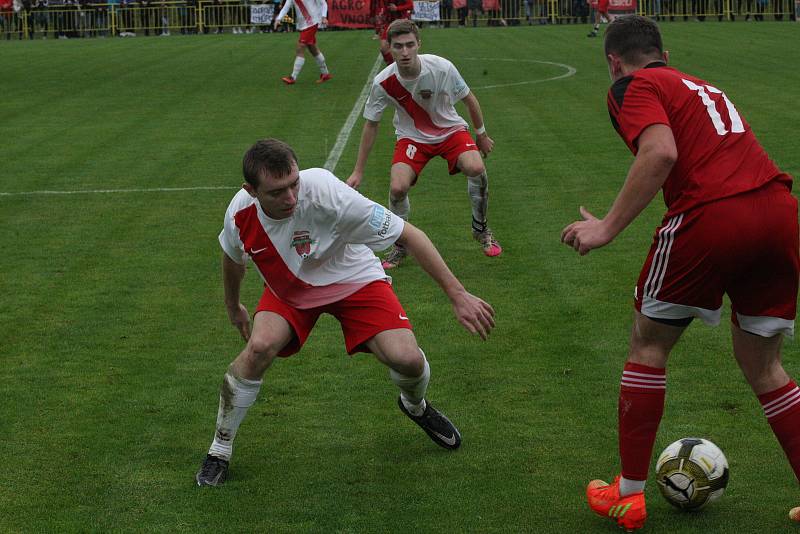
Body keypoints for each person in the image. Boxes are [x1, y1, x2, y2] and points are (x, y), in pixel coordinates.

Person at [560, 15, 800, 530]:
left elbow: (661, 151)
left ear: (613, 62)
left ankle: (628, 494)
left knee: (648, 343)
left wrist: (605, 228)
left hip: (713, 214)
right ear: (664, 54)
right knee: (765, 367)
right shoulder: (701, 84)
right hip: (779, 209)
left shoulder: (631, 84)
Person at [195, 138, 495, 487]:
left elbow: (409, 235)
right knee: (259, 348)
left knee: (408, 360)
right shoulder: (239, 213)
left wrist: (458, 295)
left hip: (353, 276)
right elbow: (232, 260)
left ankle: (416, 406)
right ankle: (219, 449)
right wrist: (233, 307)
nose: (291, 198)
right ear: (251, 190)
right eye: (277, 192)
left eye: (294, 184)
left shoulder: (326, 191)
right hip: (290, 288)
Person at [346, 20, 502, 270]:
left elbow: (469, 99)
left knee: (475, 167)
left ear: (419, 44)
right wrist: (358, 170)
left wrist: (481, 134)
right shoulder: (382, 82)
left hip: (450, 130)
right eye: (398, 46)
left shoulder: (441, 68)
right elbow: (371, 125)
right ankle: (400, 243)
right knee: (397, 188)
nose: (405, 52)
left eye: (410, 45)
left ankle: (481, 229)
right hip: (412, 137)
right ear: (390, 48)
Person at [273, 0, 331, 85]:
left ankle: (293, 77)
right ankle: (325, 74)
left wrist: (323, 17)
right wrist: (278, 19)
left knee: (300, 47)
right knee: (312, 48)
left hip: (312, 22)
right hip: (303, 24)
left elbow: (323, 3)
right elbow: (286, 6)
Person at [375, 0, 413, 65]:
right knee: (384, 48)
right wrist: (380, 23)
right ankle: (392, 67)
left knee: (404, 47)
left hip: (402, 21)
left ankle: (406, 67)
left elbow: (410, 5)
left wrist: (397, 8)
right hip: (389, 23)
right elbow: (382, 8)